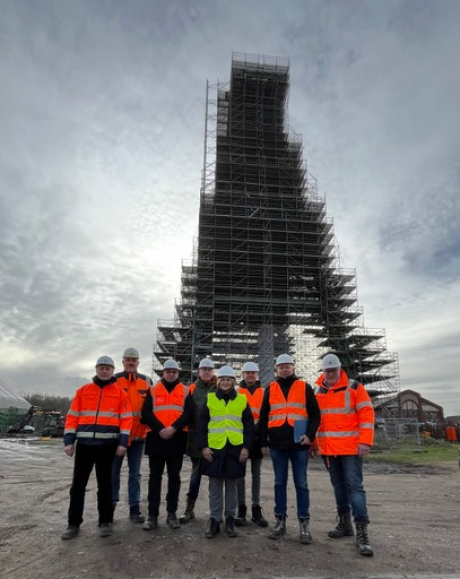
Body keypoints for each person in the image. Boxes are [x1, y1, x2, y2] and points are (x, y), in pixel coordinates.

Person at [61, 356, 132, 540]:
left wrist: (123, 443)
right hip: (84, 446)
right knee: (78, 486)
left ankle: (106, 521)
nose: (104, 371)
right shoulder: (83, 391)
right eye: (101, 367)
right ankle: (73, 524)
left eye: (108, 368)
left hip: (107, 446)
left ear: (112, 370)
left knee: (106, 485)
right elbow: (72, 417)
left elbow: (126, 419)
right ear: (96, 369)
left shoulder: (120, 393)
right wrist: (69, 441)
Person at [312, 353, 375, 556]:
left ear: (340, 370)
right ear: (323, 372)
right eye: (327, 371)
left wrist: (365, 441)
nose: (330, 374)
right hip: (329, 449)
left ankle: (362, 531)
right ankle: (344, 524)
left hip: (350, 448)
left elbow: (366, 414)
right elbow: (314, 420)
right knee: (339, 487)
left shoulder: (354, 387)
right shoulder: (317, 391)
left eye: (333, 370)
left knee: (354, 487)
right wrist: (313, 443)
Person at [259, 354, 320, 544]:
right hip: (277, 445)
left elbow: (315, 415)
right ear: (276, 369)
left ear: (293, 368)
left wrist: (309, 436)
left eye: (288, 366)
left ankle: (304, 523)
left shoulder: (305, 387)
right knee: (279, 483)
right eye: (281, 367)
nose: (284, 369)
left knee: (301, 484)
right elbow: (263, 417)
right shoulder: (270, 389)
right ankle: (280, 521)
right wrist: (262, 442)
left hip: (299, 445)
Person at [198, 365, 253, 538]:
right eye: (223, 379)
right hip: (214, 449)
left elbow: (249, 426)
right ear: (218, 381)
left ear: (234, 381)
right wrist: (203, 447)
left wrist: (246, 447)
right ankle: (214, 520)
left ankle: (230, 519)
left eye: (229, 379)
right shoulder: (210, 398)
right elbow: (201, 425)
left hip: (235, 449)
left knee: (232, 487)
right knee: (214, 487)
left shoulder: (242, 400)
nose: (225, 382)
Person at [141, 359, 193, 530]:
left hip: (176, 439)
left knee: (174, 478)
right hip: (157, 438)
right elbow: (146, 412)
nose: (171, 374)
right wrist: (159, 428)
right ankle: (152, 516)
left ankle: (171, 514)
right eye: (168, 371)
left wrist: (174, 428)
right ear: (164, 372)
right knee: (154, 478)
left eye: (174, 371)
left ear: (178, 373)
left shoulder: (185, 391)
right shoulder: (153, 390)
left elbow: (189, 413)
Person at [111, 347, 152, 523]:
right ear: (122, 361)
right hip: (117, 438)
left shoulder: (147, 381)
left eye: (133, 360)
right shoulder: (114, 381)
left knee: (135, 474)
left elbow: (152, 408)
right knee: (113, 473)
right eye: (127, 359)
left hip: (138, 437)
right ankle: (110, 507)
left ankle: (134, 509)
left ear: (138, 362)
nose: (130, 362)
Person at [179, 357, 217, 524]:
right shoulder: (191, 389)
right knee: (196, 475)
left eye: (209, 369)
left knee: (214, 476)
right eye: (204, 369)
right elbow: (185, 413)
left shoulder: (218, 388)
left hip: (216, 438)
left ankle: (214, 510)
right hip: (195, 439)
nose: (207, 372)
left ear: (212, 371)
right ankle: (189, 509)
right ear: (199, 371)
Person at [235, 361, 268, 527]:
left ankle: (256, 508)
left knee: (257, 474)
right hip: (240, 438)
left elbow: (266, 417)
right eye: (247, 373)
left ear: (257, 375)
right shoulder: (237, 392)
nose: (250, 375)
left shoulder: (264, 392)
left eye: (253, 373)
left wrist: (264, 439)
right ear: (243, 375)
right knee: (240, 474)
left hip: (257, 438)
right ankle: (241, 508)